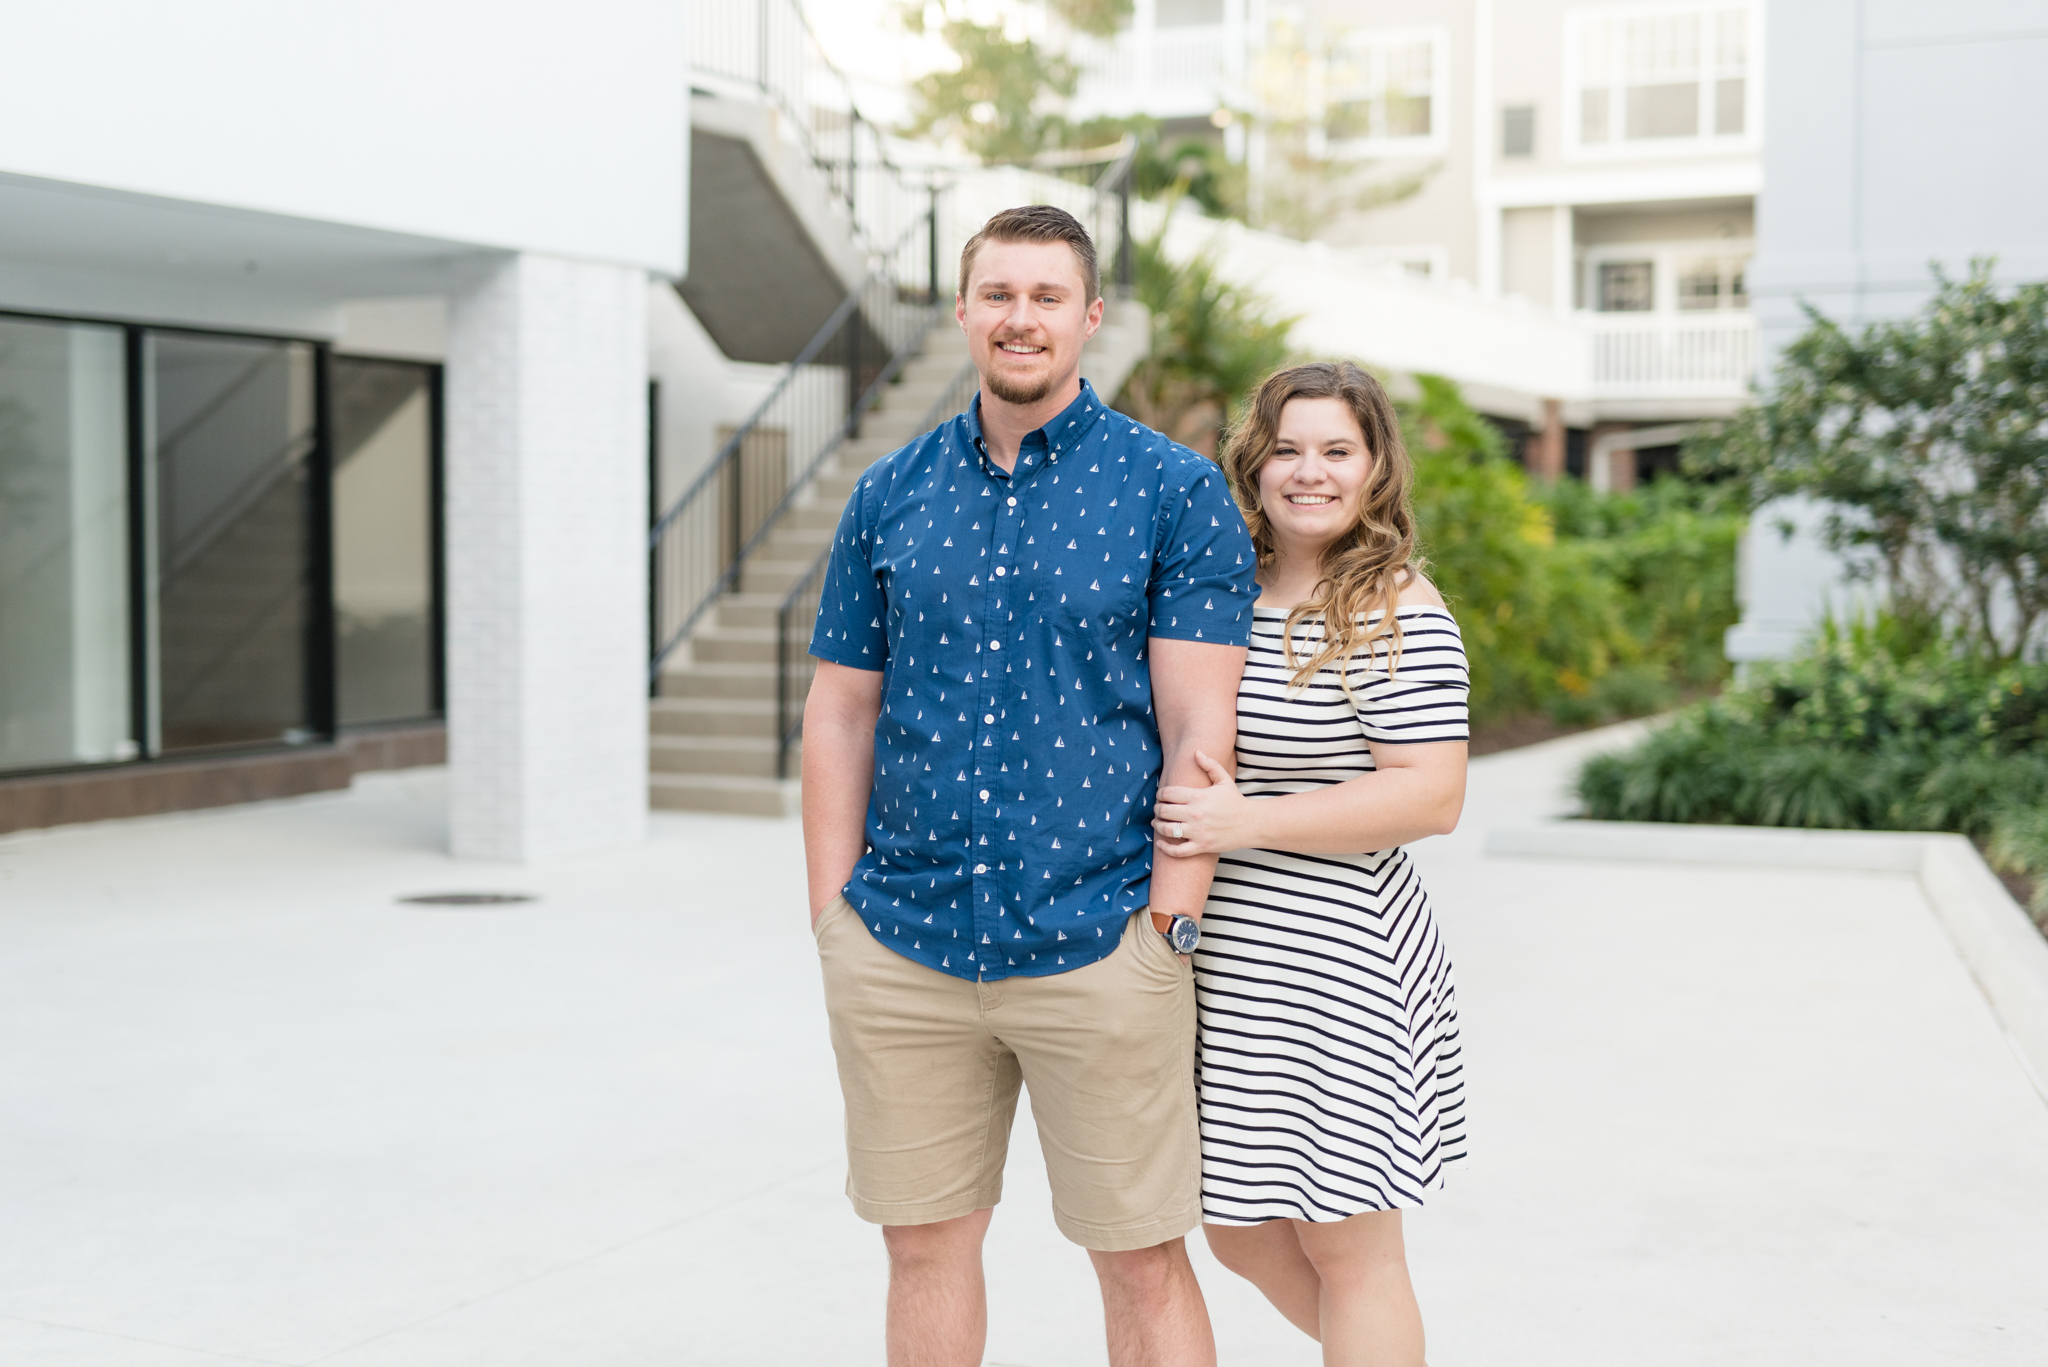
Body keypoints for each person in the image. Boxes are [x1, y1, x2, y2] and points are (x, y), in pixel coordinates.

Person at [801, 203, 1258, 1367]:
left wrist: (1173, 919)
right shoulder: (888, 494)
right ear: (961, 311)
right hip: (901, 939)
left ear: (1089, 318)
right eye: (997, 294)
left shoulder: (1173, 492)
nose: (1020, 318)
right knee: (922, 1248)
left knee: (1141, 1255)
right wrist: (831, 911)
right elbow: (842, 709)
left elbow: (1202, 721)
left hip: (1101, 936)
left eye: (1045, 296)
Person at [1151, 361, 1470, 1367]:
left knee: (1346, 1239)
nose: (1308, 471)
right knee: (1239, 1225)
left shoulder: (1393, 608)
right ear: (1255, 460)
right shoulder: (1227, 585)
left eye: (1336, 450)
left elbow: (1431, 793)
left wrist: (1246, 820)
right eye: (1288, 447)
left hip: (1340, 961)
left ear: (1375, 467)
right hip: (1235, 961)